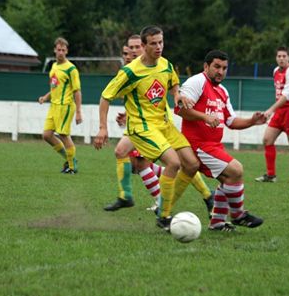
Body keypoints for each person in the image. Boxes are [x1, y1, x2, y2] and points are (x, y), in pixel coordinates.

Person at [94, 25, 199, 230]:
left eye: (161, 42)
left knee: (192, 164)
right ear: (143, 46)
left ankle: (166, 205)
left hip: (163, 124)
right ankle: (165, 215)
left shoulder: (165, 64)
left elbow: (173, 83)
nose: (159, 47)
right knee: (173, 162)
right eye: (153, 43)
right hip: (142, 127)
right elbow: (105, 97)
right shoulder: (130, 72)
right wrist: (102, 128)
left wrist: (177, 95)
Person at [105, 41, 214, 216]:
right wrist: (127, 115)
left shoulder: (157, 64)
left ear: (143, 47)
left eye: (135, 48)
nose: (131, 52)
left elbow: (160, 91)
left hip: (156, 123)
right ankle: (127, 196)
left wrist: (177, 95)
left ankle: (169, 200)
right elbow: (139, 97)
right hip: (140, 123)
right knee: (121, 152)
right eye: (128, 50)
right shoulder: (131, 71)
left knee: (161, 163)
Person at [177, 49, 265, 231]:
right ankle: (239, 215)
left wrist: (252, 121)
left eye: (224, 68)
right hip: (197, 145)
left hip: (213, 146)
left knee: (229, 178)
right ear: (206, 66)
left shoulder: (222, 91)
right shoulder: (197, 81)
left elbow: (231, 121)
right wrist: (205, 117)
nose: (221, 71)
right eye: (217, 67)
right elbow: (180, 109)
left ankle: (217, 223)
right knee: (236, 170)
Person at [255, 46, 289, 184]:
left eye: (284, 56)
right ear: (276, 58)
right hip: (280, 111)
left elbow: (287, 95)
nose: (281, 59)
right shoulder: (275, 71)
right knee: (267, 139)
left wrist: (271, 110)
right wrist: (275, 110)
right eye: (279, 56)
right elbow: (279, 94)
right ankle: (271, 176)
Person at [38, 37, 82, 174]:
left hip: (66, 106)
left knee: (63, 134)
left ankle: (72, 167)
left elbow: (77, 91)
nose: (61, 52)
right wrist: (46, 97)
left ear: (67, 51)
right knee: (46, 135)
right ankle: (70, 160)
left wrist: (79, 111)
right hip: (54, 106)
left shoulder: (71, 69)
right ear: (54, 50)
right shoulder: (54, 66)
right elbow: (55, 87)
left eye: (63, 50)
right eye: (58, 50)